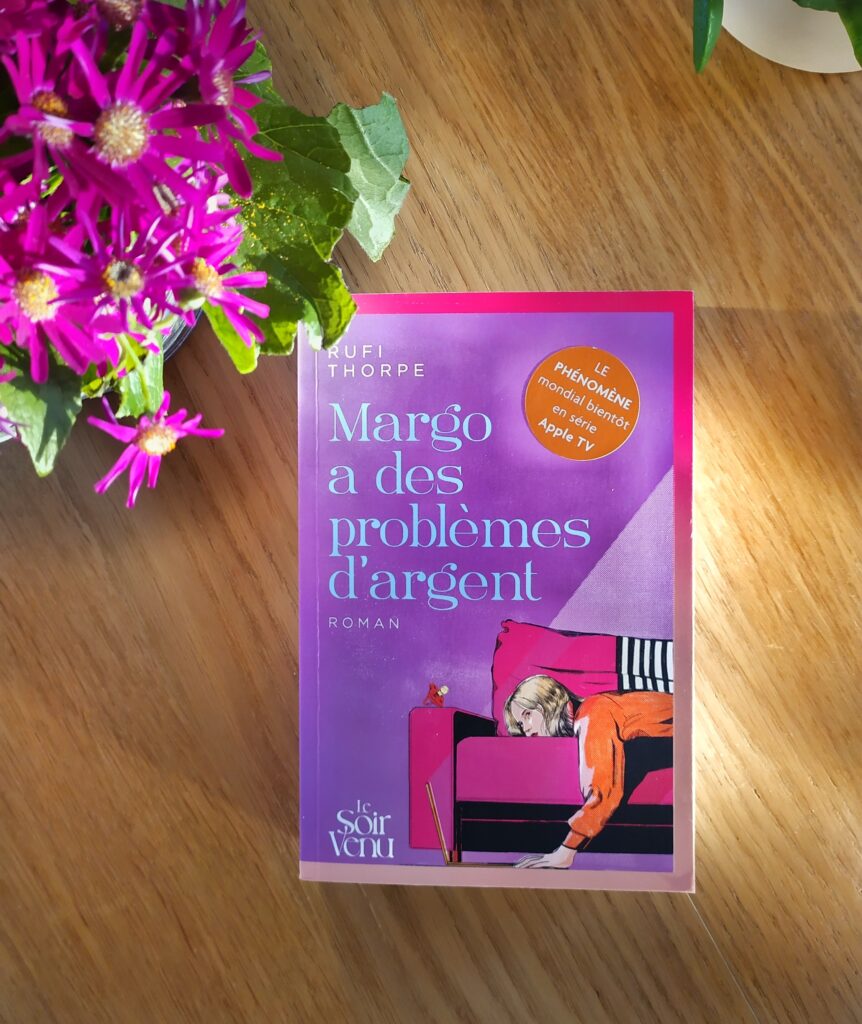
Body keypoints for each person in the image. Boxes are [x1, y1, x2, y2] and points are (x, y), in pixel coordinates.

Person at [503, 674, 673, 869]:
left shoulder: (593, 713)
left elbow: (603, 794)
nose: (525, 728)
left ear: (548, 703)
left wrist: (565, 852)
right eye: (520, 724)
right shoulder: (591, 712)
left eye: (527, 715)